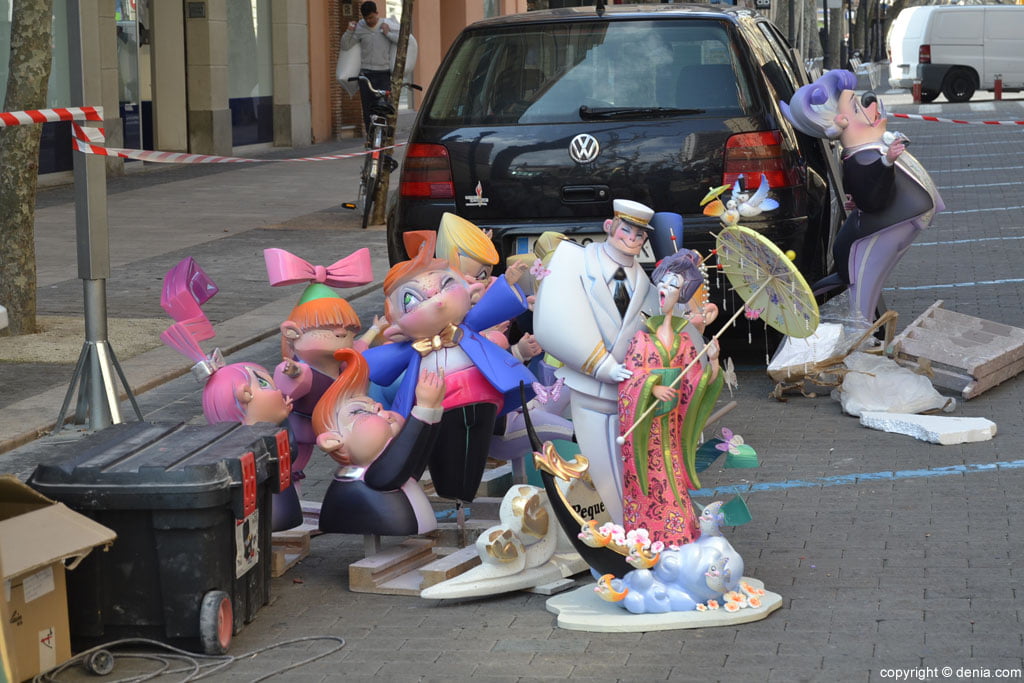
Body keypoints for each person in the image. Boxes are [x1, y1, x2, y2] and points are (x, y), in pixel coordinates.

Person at [362, 231, 536, 503]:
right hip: (439, 404)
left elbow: (493, 307)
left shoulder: (466, 328)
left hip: (483, 398)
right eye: (412, 299)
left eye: (445, 285)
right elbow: (376, 366)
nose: (438, 300)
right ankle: (454, 496)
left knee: (475, 451)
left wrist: (508, 282)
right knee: (444, 454)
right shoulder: (410, 346)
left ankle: (462, 496)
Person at [532, 198, 660, 524]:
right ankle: (616, 534)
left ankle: (636, 531)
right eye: (625, 230)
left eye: (639, 235)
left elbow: (655, 327)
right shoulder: (574, 261)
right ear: (609, 226)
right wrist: (600, 364)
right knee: (603, 470)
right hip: (592, 389)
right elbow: (556, 317)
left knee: (636, 468)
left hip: (634, 393)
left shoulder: (644, 282)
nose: (631, 238)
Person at [781, 69, 943, 323]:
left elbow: (865, 192)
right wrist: (886, 163)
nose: (869, 104)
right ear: (841, 123)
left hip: (895, 222)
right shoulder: (861, 156)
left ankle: (861, 333)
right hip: (881, 228)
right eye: (857, 108)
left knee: (870, 285)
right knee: (863, 292)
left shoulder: (867, 150)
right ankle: (859, 334)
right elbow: (872, 198)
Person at [618, 249, 722, 547]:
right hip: (645, 431)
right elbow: (630, 379)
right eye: (663, 283)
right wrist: (651, 386)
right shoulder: (642, 337)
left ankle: (678, 536)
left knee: (673, 482)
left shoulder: (685, 340)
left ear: (682, 295)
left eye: (674, 286)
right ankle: (645, 538)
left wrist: (713, 362)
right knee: (647, 483)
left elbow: (697, 383)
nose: (666, 290)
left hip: (672, 430)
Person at [312, 349, 443, 536]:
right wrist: (423, 409)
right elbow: (398, 462)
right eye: (361, 412)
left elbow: (416, 456)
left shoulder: (387, 469)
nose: (379, 408)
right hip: (384, 522)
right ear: (334, 440)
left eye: (375, 405)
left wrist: (432, 409)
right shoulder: (376, 475)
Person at [341, 1, 398, 136]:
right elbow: (345, 45)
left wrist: (388, 33)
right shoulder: (360, 27)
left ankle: (384, 138)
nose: (369, 21)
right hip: (366, 74)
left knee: (384, 107)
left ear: (377, 13)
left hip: (383, 74)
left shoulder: (387, 24)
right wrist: (349, 31)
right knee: (368, 109)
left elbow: (403, 41)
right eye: (366, 19)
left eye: (371, 17)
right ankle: (370, 138)